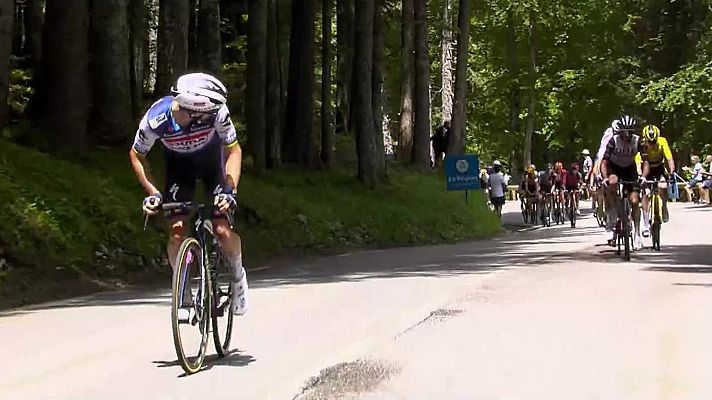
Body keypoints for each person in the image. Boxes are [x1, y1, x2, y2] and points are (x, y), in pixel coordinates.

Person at [129, 72, 249, 318]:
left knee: (222, 230)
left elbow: (233, 150)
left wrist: (230, 190)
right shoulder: (156, 119)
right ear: (193, 110)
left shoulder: (217, 112)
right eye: (204, 114)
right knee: (176, 232)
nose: (208, 117)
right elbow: (136, 154)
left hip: (211, 164)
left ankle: (238, 278)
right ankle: (181, 287)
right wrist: (152, 191)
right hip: (178, 168)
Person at [600, 115, 647, 250]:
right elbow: (604, 162)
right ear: (619, 131)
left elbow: (646, 162)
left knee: (634, 200)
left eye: (629, 132)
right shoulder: (613, 141)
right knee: (612, 183)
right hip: (614, 168)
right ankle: (612, 218)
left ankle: (637, 232)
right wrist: (605, 178)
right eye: (623, 132)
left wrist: (643, 176)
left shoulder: (638, 141)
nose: (626, 135)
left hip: (629, 169)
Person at [634, 125, 675, 231]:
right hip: (645, 169)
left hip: (658, 167)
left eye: (654, 141)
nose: (652, 144)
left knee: (663, 186)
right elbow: (638, 163)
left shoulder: (662, 141)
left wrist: (671, 172)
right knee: (645, 192)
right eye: (650, 142)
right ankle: (646, 222)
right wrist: (640, 176)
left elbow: (669, 158)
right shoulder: (642, 144)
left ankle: (664, 206)